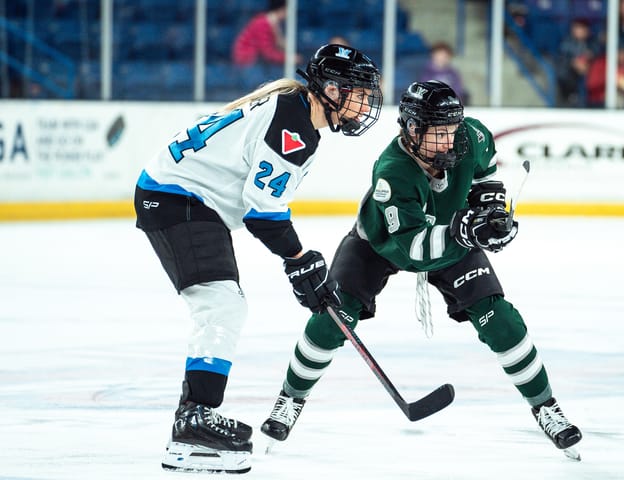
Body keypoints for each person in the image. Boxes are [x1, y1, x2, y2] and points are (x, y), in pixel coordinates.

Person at [260, 80, 583, 458]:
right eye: (439, 133)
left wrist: (491, 210)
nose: (449, 141)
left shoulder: (471, 135)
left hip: (451, 240)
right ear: (412, 130)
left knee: (500, 319)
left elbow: (486, 172)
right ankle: (291, 399)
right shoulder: (393, 171)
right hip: (379, 245)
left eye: (452, 130)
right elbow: (413, 248)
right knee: (333, 319)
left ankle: (546, 407)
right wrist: (467, 231)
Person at [133, 44, 382, 474]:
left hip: (184, 198)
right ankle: (194, 421)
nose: (364, 103)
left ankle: (191, 419)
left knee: (222, 305)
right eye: (357, 92)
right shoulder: (295, 126)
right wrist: (299, 259)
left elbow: (263, 208)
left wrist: (298, 261)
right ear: (330, 89)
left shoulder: (294, 111)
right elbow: (262, 212)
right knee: (222, 305)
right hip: (178, 199)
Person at [231, 0, 301, 71]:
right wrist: (288, 58)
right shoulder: (262, 23)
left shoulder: (274, 24)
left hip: (258, 63)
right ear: (282, 9)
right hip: (248, 64)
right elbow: (267, 53)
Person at [555, 18, 598, 107]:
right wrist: (576, 62)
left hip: (588, 83)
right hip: (567, 85)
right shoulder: (567, 43)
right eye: (578, 27)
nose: (581, 30)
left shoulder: (592, 43)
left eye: (584, 28)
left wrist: (588, 57)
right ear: (573, 29)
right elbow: (570, 60)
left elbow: (594, 53)